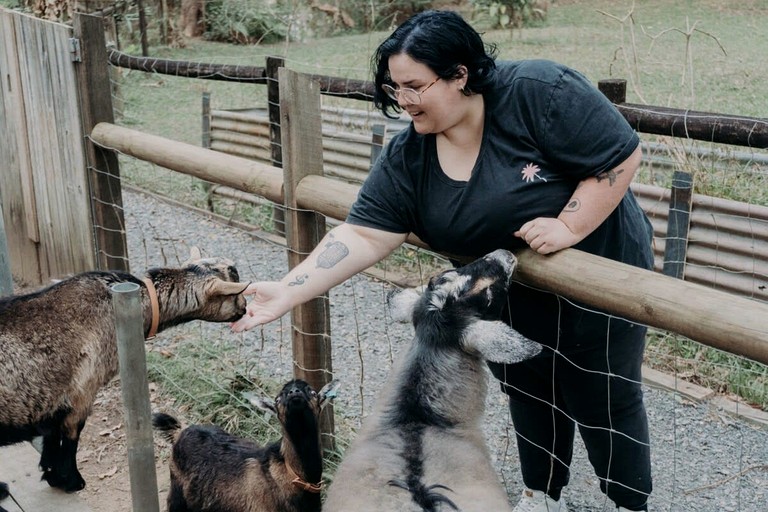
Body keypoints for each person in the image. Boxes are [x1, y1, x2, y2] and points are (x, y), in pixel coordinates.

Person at [232, 9, 653, 512]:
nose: (402, 100)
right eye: (394, 88)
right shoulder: (410, 155)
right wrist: (289, 288)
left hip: (597, 283)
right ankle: (542, 496)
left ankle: (628, 504)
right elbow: (364, 232)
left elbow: (620, 156)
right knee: (528, 391)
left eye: (414, 85)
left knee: (603, 399)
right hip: (501, 296)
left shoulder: (541, 92)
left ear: (460, 74)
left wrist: (569, 226)